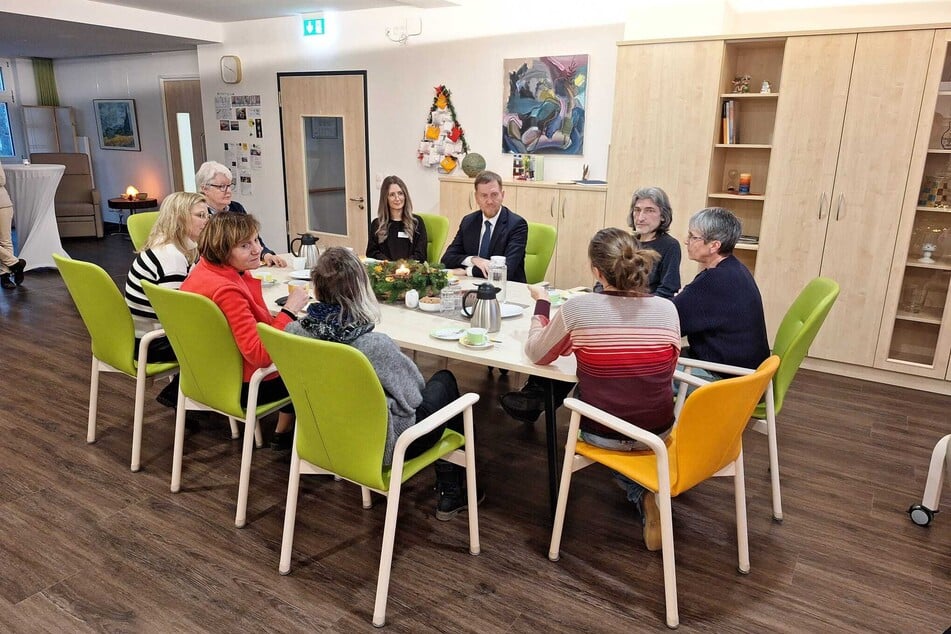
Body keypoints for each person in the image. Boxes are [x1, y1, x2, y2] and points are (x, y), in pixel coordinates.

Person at [285, 247, 482, 520]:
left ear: (316, 287)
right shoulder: (371, 345)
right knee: (444, 381)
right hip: (384, 447)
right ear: (359, 289)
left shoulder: (293, 333)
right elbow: (414, 396)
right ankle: (453, 491)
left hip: (321, 437)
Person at [519, 227, 681, 550]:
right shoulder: (668, 310)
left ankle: (639, 490)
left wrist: (542, 306)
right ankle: (647, 493)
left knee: (572, 396)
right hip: (659, 431)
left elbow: (537, 353)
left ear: (596, 271)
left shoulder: (580, 309)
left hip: (602, 432)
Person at [181, 212, 309, 450]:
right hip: (244, 387)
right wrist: (290, 310)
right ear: (222, 249)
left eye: (256, 241)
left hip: (204, 378)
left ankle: (285, 430)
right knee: (315, 365)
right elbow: (259, 355)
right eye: (245, 245)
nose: (256, 250)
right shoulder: (227, 290)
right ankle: (318, 447)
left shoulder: (201, 273)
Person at [124, 192, 208, 406]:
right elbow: (178, 315)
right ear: (180, 219)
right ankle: (180, 396)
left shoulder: (167, 246)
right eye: (200, 215)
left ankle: (187, 398)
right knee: (222, 340)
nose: (207, 221)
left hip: (141, 333)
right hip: (152, 341)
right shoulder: (171, 257)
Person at [673, 207, 769, 378]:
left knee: (643, 372)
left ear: (714, 246)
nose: (686, 241)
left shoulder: (714, 281)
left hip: (727, 380)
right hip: (747, 374)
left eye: (693, 237)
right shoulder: (735, 269)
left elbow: (669, 323)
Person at [441, 170, 528, 282]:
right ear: (476, 197)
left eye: (494, 195)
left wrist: (468, 271)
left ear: (502, 195)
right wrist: (473, 260)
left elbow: (506, 270)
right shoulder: (468, 221)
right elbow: (447, 259)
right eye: (484, 196)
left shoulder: (517, 225)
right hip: (472, 285)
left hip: (506, 287)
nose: (489, 201)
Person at [196, 161, 286, 267]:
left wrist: (266, 254)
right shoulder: (198, 214)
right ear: (204, 188)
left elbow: (252, 238)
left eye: (230, 185)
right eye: (222, 187)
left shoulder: (236, 208)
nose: (228, 191)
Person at [628, 186, 681, 298]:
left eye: (649, 211)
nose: (640, 218)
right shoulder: (625, 242)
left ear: (662, 216)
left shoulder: (670, 246)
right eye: (637, 210)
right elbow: (605, 280)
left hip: (649, 309)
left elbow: (667, 289)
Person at [366, 175, 428, 262]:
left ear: (405, 195)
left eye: (400, 193)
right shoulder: (377, 224)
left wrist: (403, 267)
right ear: (385, 199)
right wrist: (390, 265)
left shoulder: (417, 222)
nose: (397, 198)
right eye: (392, 195)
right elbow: (372, 253)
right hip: (385, 271)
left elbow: (421, 255)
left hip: (411, 271)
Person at [0, 162, 26, 290]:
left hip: (2, 204)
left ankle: (5, 276)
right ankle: (15, 264)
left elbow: (1, 179)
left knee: (5, 241)